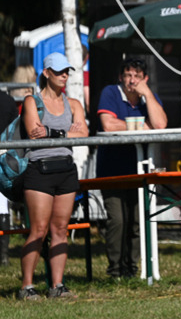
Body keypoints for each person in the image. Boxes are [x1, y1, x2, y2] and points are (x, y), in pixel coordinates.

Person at [18, 53, 88, 300]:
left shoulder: (75, 104)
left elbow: (84, 135)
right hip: (40, 170)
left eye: (67, 71)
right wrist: (66, 133)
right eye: (59, 71)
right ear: (46, 73)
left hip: (66, 170)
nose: (64, 76)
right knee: (38, 229)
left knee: (60, 229)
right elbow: (33, 132)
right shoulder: (31, 101)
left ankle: (57, 286)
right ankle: (27, 286)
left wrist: (53, 133)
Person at [96, 58, 168, 279]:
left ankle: (131, 269)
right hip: (112, 170)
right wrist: (140, 125)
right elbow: (108, 125)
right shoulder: (110, 92)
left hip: (141, 171)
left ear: (145, 79)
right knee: (117, 220)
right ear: (121, 77)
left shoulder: (150, 99)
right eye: (128, 75)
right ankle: (115, 271)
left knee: (137, 220)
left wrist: (147, 94)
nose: (132, 80)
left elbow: (160, 125)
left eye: (137, 76)